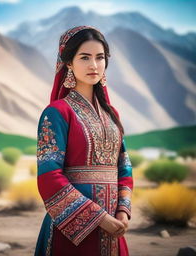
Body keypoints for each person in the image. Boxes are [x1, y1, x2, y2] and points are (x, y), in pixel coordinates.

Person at [34, 25, 133, 256]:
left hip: (114, 228)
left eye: (100, 58)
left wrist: (122, 211)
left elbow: (124, 166)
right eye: (84, 57)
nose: (94, 65)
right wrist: (98, 218)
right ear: (69, 63)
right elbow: (49, 177)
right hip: (71, 234)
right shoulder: (56, 112)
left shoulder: (112, 115)